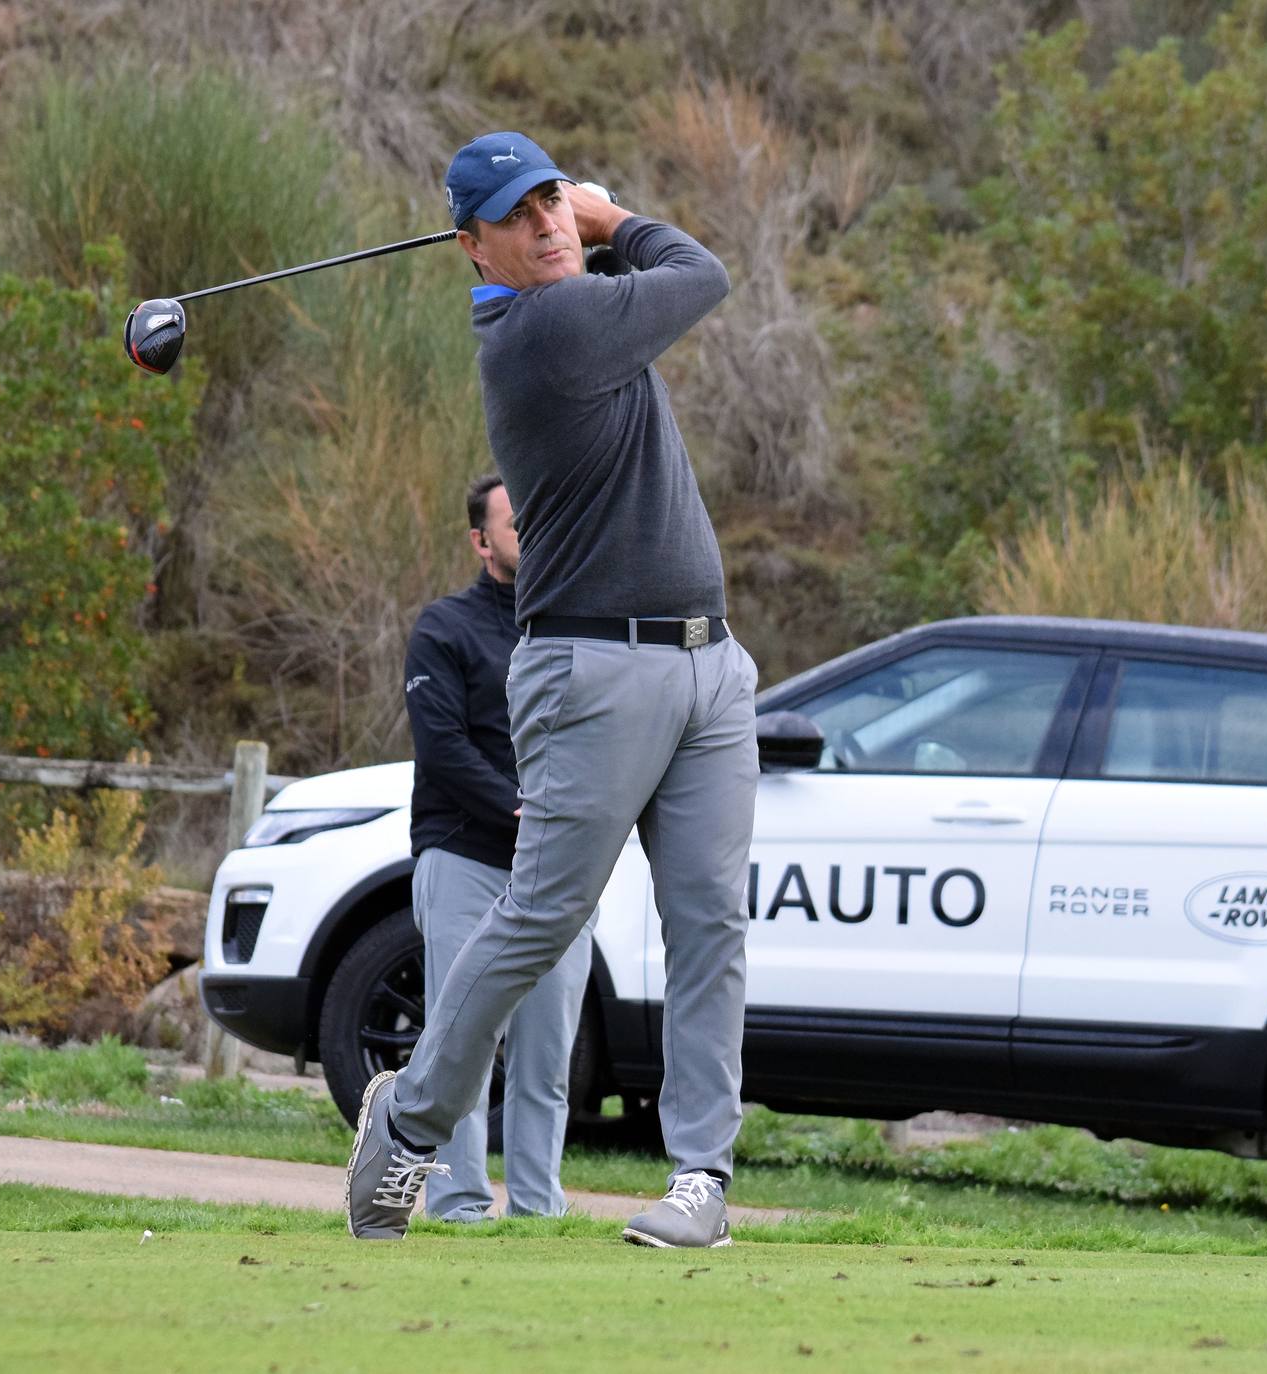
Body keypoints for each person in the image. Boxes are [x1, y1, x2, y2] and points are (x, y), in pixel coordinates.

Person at [346, 131, 759, 1248]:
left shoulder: (571, 307)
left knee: (710, 923)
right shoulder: (539, 330)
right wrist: (610, 217)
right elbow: (702, 275)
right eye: (522, 216)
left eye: (551, 204)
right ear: (471, 245)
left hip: (708, 664)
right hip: (591, 667)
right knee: (541, 918)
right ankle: (414, 1121)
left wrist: (593, 234)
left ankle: (699, 1183)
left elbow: (652, 289)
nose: (547, 227)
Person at [400, 471, 594, 1222]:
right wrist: (521, 813)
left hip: (558, 875)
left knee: (547, 1059)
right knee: (462, 1048)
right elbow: (442, 748)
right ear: (481, 541)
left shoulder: (577, 630)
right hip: (465, 863)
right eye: (517, 523)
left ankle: (539, 1217)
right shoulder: (443, 629)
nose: (534, 533)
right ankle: (458, 1211)